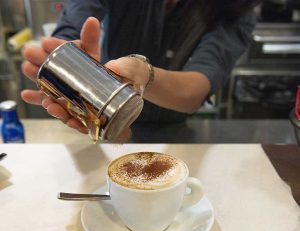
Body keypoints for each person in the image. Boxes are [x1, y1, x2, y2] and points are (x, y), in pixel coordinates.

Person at [21, 0, 260, 136]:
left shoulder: (235, 8)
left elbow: (196, 88)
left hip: (171, 129)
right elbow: (80, 11)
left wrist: (145, 75)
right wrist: (65, 50)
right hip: (99, 116)